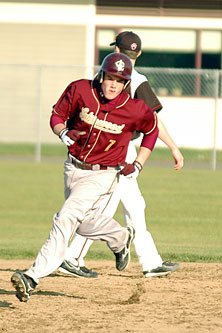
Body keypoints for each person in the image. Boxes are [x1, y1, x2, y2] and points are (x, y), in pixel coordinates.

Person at [11, 51, 159, 302]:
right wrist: (62, 132)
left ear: (126, 84)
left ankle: (33, 276)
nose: (113, 84)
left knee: (65, 217)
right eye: (110, 77)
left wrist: (139, 163)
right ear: (101, 75)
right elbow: (57, 115)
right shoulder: (81, 90)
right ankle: (121, 237)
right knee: (82, 221)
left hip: (103, 175)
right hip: (73, 167)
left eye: (120, 80)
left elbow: (152, 130)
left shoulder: (133, 109)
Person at [57, 31, 184, 279]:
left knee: (135, 205)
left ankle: (150, 262)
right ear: (138, 54)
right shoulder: (134, 78)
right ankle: (72, 257)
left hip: (111, 145)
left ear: (117, 50)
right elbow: (153, 121)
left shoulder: (111, 75)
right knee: (104, 205)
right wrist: (173, 146)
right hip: (117, 148)